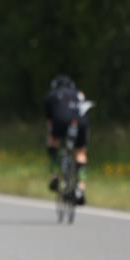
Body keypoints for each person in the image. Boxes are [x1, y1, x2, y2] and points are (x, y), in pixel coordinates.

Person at [44, 74, 89, 205]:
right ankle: (80, 188)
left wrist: (52, 135)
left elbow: (49, 122)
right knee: (80, 152)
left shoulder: (51, 96)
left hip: (60, 120)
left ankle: (54, 175)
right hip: (81, 122)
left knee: (53, 142)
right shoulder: (79, 94)